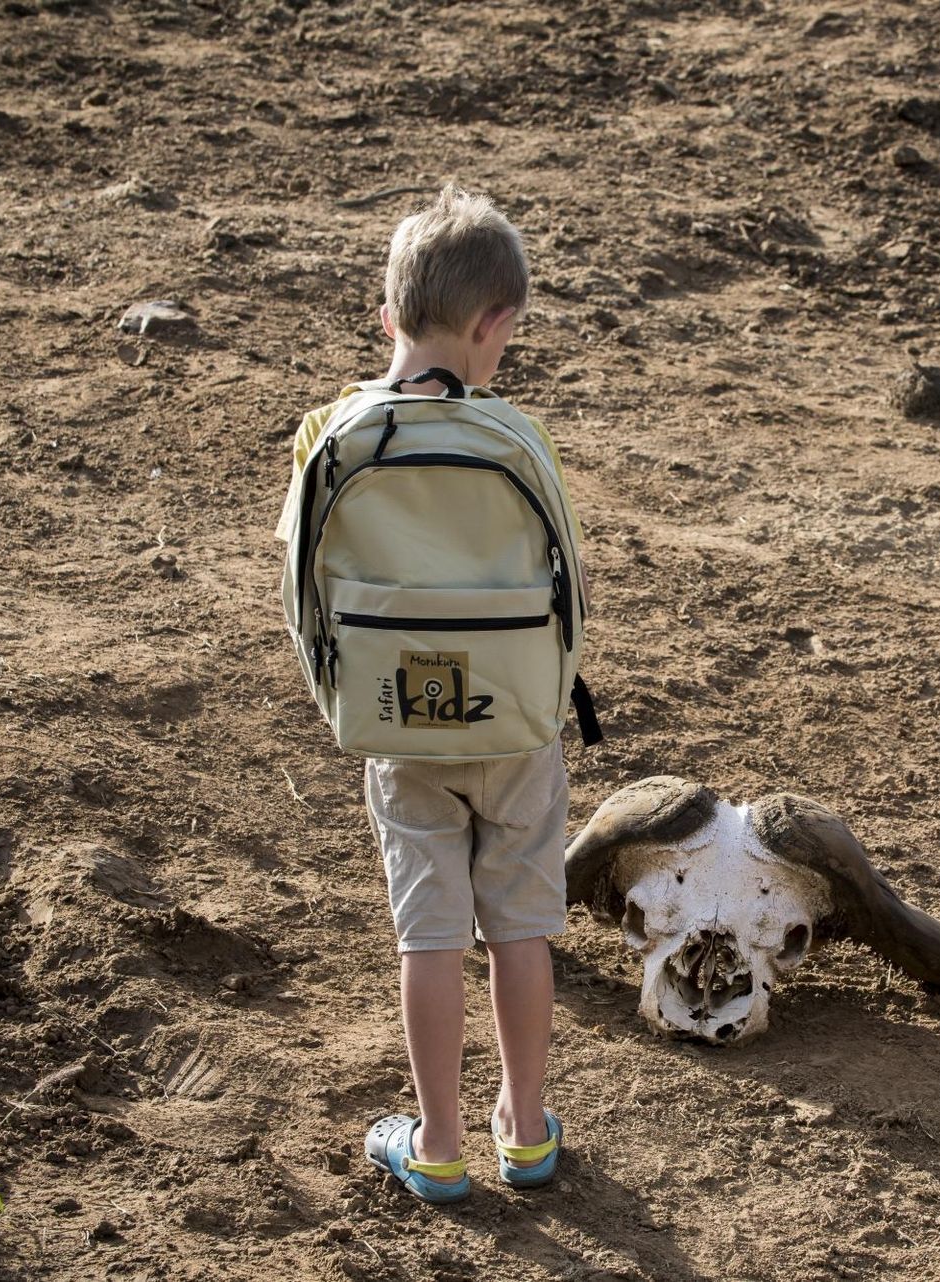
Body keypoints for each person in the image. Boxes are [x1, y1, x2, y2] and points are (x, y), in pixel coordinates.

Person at [275, 185, 576, 1202]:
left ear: (388, 313)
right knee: (521, 926)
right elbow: (569, 594)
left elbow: (300, 594)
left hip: (399, 726)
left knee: (430, 932)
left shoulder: (333, 436)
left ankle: (438, 1141)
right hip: (517, 726)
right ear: (493, 323)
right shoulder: (515, 437)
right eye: (509, 337)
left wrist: (349, 702)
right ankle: (526, 1130)